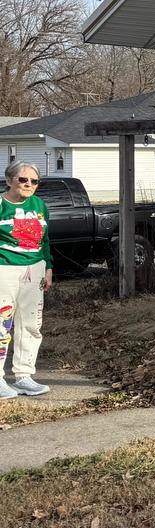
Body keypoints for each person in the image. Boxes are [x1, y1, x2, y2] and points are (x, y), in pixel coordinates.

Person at [0, 161, 52, 398]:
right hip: (5, 269)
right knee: (2, 323)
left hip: (35, 270)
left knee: (31, 324)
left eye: (34, 181)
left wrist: (48, 266)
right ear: (9, 180)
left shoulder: (40, 205)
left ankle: (23, 375)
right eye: (23, 179)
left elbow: (45, 240)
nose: (29, 184)